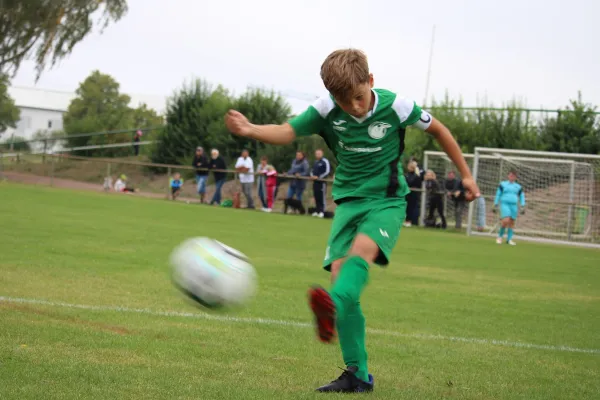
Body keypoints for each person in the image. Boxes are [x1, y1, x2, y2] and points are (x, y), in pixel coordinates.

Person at [224, 48, 480, 393]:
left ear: (370, 81)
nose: (355, 107)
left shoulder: (397, 106)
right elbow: (288, 131)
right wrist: (251, 129)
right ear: (333, 96)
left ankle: (332, 306)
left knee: (361, 254)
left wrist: (466, 175)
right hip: (347, 203)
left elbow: (441, 132)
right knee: (341, 276)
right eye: (346, 102)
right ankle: (357, 374)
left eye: (359, 97)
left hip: (387, 200)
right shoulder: (326, 109)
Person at [494, 170, 525, 245]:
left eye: (513, 176)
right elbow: (498, 194)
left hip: (514, 205)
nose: (512, 177)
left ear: (515, 177)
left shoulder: (518, 186)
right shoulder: (503, 184)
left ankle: (509, 239)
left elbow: (521, 196)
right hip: (505, 204)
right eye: (510, 175)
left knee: (512, 222)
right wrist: (495, 203)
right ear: (508, 176)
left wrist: (523, 205)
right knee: (505, 220)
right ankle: (499, 237)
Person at [310, 149, 331, 218]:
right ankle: (317, 210)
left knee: (322, 197)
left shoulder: (325, 161)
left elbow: (327, 171)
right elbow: (312, 171)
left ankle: (322, 211)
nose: (317, 155)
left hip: (322, 182)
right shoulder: (315, 162)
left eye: (319, 153)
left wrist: (319, 177)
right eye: (316, 154)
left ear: (322, 154)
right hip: (315, 182)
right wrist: (312, 176)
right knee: (316, 197)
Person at [404, 161, 422, 227]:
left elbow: (416, 182)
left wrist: (417, 173)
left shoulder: (417, 175)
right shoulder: (406, 174)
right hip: (407, 194)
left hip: (414, 194)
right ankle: (407, 221)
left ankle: (412, 222)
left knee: (412, 208)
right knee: (406, 208)